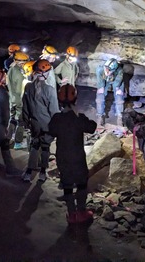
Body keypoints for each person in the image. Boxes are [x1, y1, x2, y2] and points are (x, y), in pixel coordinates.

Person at [49, 84, 96, 224]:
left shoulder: (57, 118)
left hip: (62, 157)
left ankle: (71, 214)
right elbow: (92, 127)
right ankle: (81, 212)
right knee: (81, 183)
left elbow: (51, 131)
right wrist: (78, 116)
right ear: (75, 99)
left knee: (67, 184)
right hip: (77, 157)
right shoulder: (79, 118)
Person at [21, 59, 60, 183]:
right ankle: (42, 172)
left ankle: (28, 172)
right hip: (47, 124)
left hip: (34, 123)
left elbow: (25, 106)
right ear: (46, 74)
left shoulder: (28, 87)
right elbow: (54, 111)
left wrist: (26, 121)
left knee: (34, 146)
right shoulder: (50, 90)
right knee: (45, 148)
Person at [6, 51, 29, 149]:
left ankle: (7, 139)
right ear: (20, 62)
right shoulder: (19, 73)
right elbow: (20, 90)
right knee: (21, 121)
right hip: (19, 99)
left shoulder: (11, 69)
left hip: (12, 99)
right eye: (24, 62)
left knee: (12, 120)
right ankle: (18, 143)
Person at [96, 58, 124, 127]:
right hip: (105, 80)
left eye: (109, 70)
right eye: (106, 69)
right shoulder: (100, 70)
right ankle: (100, 116)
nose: (107, 71)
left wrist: (117, 89)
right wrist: (101, 87)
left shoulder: (120, 71)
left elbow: (117, 83)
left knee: (119, 98)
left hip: (116, 81)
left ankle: (120, 118)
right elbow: (100, 83)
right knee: (99, 97)